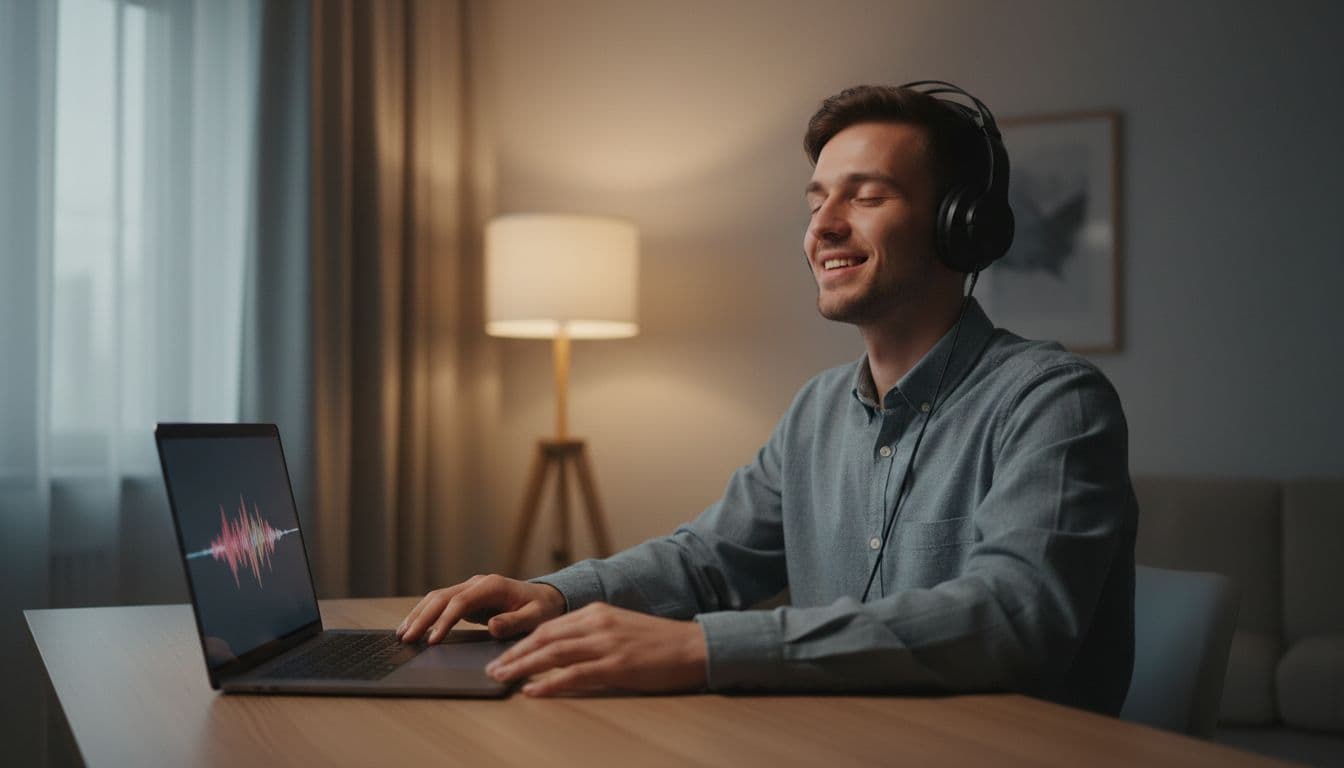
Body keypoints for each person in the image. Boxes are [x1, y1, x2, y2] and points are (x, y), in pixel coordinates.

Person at [397, 82, 1138, 715]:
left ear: (960, 226)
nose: (824, 226)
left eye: (867, 196)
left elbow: (1014, 617)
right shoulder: (818, 410)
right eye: (816, 201)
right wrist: (551, 594)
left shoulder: (1053, 403)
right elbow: (708, 561)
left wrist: (702, 647)